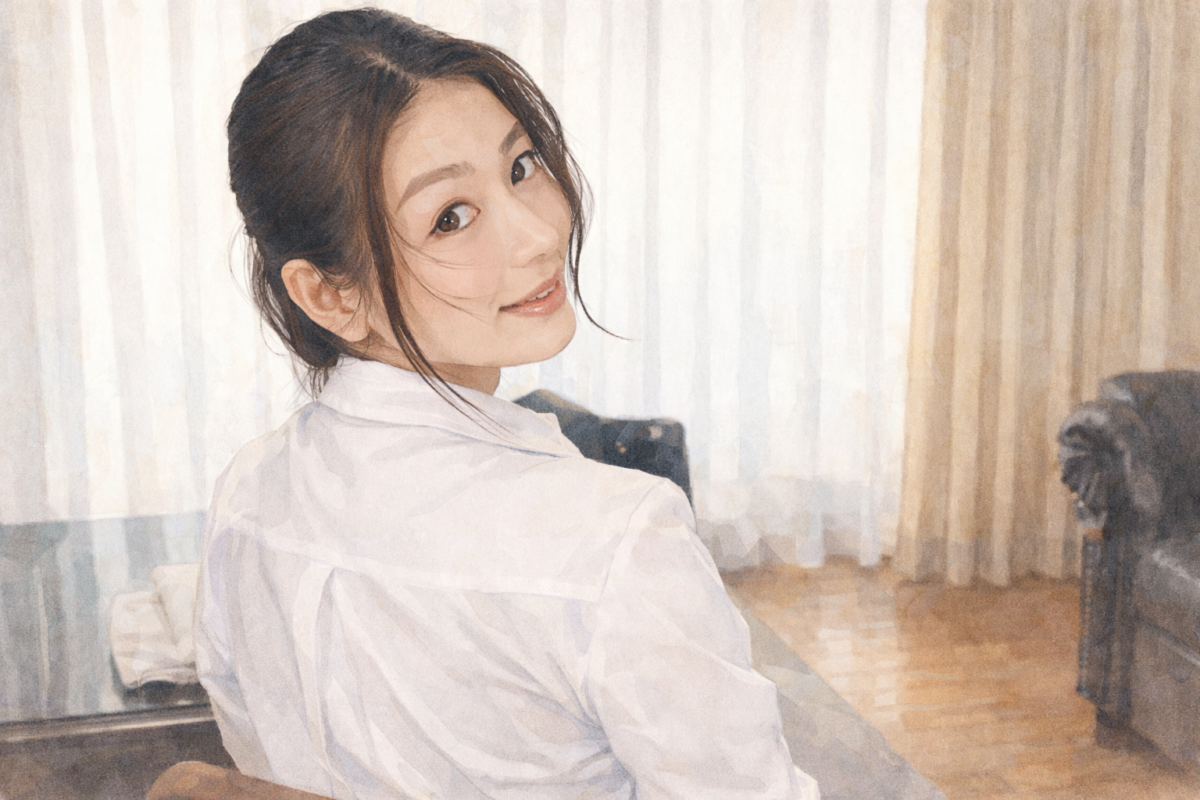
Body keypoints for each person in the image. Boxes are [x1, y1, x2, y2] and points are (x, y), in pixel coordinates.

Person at [193, 9, 820, 799]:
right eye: (450, 218)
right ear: (328, 294)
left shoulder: (247, 494)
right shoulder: (617, 542)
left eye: (522, 166)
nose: (536, 235)